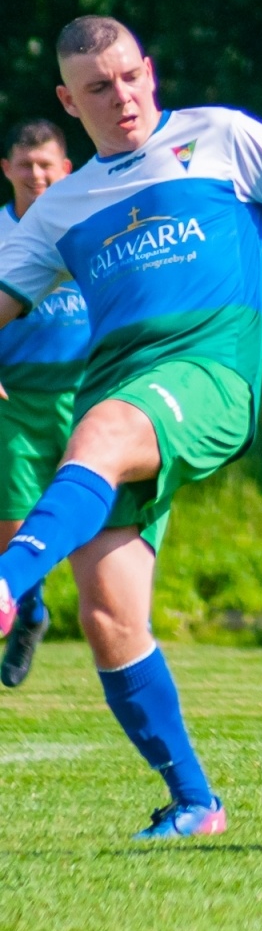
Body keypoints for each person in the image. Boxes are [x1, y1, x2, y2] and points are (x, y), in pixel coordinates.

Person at [0, 15, 262, 838]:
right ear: (67, 99)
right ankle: (195, 802)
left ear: (149, 70)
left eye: (129, 77)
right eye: (97, 88)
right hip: (118, 392)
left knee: (105, 431)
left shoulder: (220, 136)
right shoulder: (60, 209)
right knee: (109, 614)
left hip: (210, 377)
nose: (121, 97)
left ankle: (8, 584)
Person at [0, 119, 89, 686]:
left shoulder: (91, 227)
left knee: (97, 521)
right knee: (10, 534)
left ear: (67, 170)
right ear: (6, 169)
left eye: (47, 165)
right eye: (25, 165)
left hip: (87, 395)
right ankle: (29, 614)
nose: (36, 175)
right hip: (15, 399)